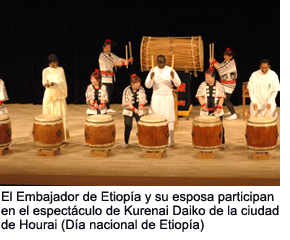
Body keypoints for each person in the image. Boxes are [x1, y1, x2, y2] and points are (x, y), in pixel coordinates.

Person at [145, 55, 181, 147]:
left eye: (163, 62)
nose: (161, 64)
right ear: (157, 62)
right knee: (156, 117)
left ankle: (170, 141)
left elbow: (178, 84)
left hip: (168, 97)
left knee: (169, 118)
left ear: (165, 61)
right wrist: (150, 78)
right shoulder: (153, 70)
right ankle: (156, 139)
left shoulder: (170, 69)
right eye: (159, 62)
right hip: (157, 97)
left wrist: (174, 78)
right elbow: (147, 86)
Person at [98, 39, 133, 113]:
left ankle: (107, 107)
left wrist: (128, 60)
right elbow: (113, 63)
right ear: (103, 48)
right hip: (104, 77)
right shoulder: (102, 56)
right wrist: (124, 63)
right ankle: (103, 107)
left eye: (109, 48)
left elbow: (119, 59)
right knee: (105, 93)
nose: (108, 49)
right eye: (106, 48)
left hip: (111, 77)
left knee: (109, 92)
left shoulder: (111, 55)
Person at [196, 67, 226, 148]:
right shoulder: (202, 85)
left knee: (219, 127)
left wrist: (219, 107)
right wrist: (203, 105)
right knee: (204, 127)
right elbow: (200, 96)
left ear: (213, 77)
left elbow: (221, 98)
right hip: (205, 111)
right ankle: (205, 142)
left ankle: (221, 142)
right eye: (205, 77)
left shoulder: (219, 85)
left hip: (216, 111)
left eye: (208, 77)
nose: (206, 79)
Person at [42, 54, 69, 140]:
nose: (55, 64)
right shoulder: (45, 70)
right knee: (49, 113)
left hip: (59, 95)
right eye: (53, 63)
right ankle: (49, 136)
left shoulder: (61, 70)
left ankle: (60, 136)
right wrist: (47, 84)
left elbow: (63, 81)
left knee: (59, 114)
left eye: (56, 62)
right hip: (49, 94)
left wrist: (55, 83)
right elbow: (44, 82)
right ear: (50, 63)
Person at [210, 47, 238, 120]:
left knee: (225, 99)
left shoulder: (231, 63)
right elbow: (220, 65)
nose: (225, 56)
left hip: (229, 84)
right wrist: (214, 61)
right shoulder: (226, 61)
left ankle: (233, 114)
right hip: (225, 84)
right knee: (225, 99)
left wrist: (213, 63)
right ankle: (230, 110)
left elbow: (220, 70)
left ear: (231, 57)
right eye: (224, 55)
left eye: (227, 55)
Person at [122, 74, 147, 148]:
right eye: (136, 83)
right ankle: (126, 142)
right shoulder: (127, 90)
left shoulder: (141, 89)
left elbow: (143, 98)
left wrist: (142, 105)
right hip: (128, 110)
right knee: (128, 126)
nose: (138, 85)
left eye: (139, 83)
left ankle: (142, 141)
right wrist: (134, 109)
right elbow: (128, 102)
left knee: (141, 126)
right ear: (132, 83)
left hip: (138, 110)